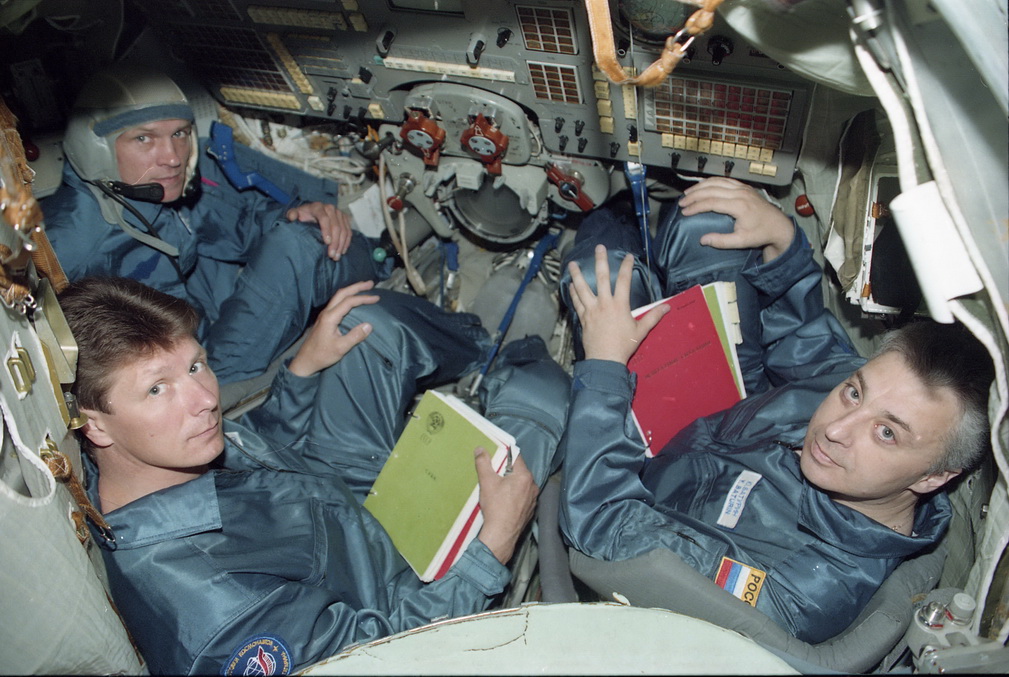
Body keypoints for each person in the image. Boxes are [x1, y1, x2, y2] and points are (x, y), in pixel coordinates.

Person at [60, 276, 570, 675]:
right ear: (95, 423)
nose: (206, 399)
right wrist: (492, 548)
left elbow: (247, 454)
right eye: (157, 389)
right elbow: (388, 656)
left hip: (326, 501)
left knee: (365, 322)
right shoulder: (217, 613)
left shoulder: (147, 456)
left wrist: (300, 372)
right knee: (539, 399)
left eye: (196, 366)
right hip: (390, 599)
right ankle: (530, 358)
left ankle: (486, 349)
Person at [558, 177, 993, 643]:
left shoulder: (799, 590)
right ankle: (624, 208)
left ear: (933, 477)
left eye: (886, 433)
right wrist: (786, 247)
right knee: (709, 223)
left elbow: (604, 526)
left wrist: (604, 365)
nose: (836, 429)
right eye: (853, 393)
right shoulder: (881, 398)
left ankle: (605, 214)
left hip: (640, 490)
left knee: (592, 280)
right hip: (726, 414)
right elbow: (812, 349)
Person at [44, 63, 385, 384]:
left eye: (180, 134)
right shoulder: (67, 246)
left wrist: (294, 213)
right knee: (298, 247)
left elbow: (235, 222)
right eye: (144, 139)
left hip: (193, 314)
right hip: (188, 370)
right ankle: (386, 264)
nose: (173, 157)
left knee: (297, 231)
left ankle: (383, 259)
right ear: (95, 149)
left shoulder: (156, 192)